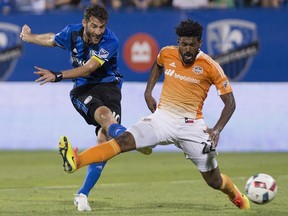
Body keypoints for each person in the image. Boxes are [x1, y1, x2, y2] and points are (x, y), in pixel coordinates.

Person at [58, 19, 250, 210]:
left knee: (214, 181)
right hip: (162, 119)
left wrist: (216, 130)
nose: (188, 49)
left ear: (200, 43)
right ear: (178, 43)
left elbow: (230, 103)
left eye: (192, 44)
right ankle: (77, 161)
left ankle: (235, 194)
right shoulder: (167, 53)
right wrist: (148, 91)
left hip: (192, 126)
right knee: (124, 141)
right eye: (184, 44)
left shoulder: (210, 66)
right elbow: (158, 65)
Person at [20, 4, 151, 212]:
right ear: (84, 23)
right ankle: (136, 140)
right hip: (83, 90)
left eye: (102, 27)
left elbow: (90, 67)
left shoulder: (111, 40)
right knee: (105, 117)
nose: (98, 31)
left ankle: (82, 194)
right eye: (94, 26)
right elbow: (52, 39)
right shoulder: (72, 33)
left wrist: (58, 75)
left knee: (104, 139)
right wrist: (29, 37)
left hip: (109, 87)